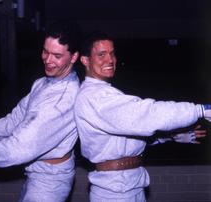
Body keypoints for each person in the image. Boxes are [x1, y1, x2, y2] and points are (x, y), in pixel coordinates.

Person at [74, 31, 211, 202]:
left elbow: (125, 140)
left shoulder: (107, 93)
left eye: (112, 53)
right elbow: (147, 114)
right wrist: (200, 110)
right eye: (101, 54)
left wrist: (170, 137)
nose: (110, 60)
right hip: (114, 192)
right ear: (85, 60)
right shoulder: (94, 97)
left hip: (130, 184)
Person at [0, 20, 82, 202]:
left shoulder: (63, 99)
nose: (48, 60)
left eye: (56, 55)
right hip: (37, 173)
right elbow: (16, 118)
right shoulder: (43, 83)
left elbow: (17, 149)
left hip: (49, 183)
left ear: (73, 57)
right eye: (45, 52)